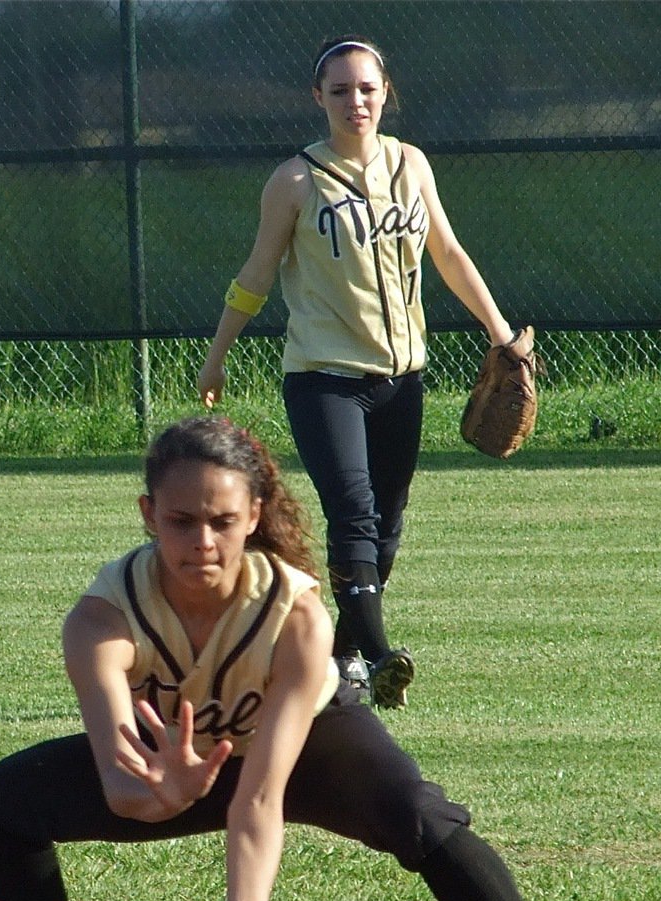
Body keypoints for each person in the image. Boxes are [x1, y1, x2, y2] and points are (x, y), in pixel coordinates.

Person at [0, 415, 640, 901]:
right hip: (181, 755)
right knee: (10, 800)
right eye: (180, 520)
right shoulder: (102, 621)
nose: (202, 541)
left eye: (222, 520)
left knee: (416, 816)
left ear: (253, 514)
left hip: (313, 745)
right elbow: (119, 784)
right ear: (148, 515)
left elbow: (260, 796)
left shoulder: (294, 615)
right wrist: (167, 790)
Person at [197, 36, 520, 708]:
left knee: (388, 523)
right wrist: (217, 354)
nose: (355, 101)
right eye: (339, 90)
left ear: (385, 92)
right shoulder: (294, 181)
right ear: (317, 98)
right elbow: (256, 276)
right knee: (352, 514)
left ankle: (339, 655)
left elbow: (449, 254)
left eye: (366, 88)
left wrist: (500, 335)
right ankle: (379, 657)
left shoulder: (411, 165)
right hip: (323, 377)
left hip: (400, 378)